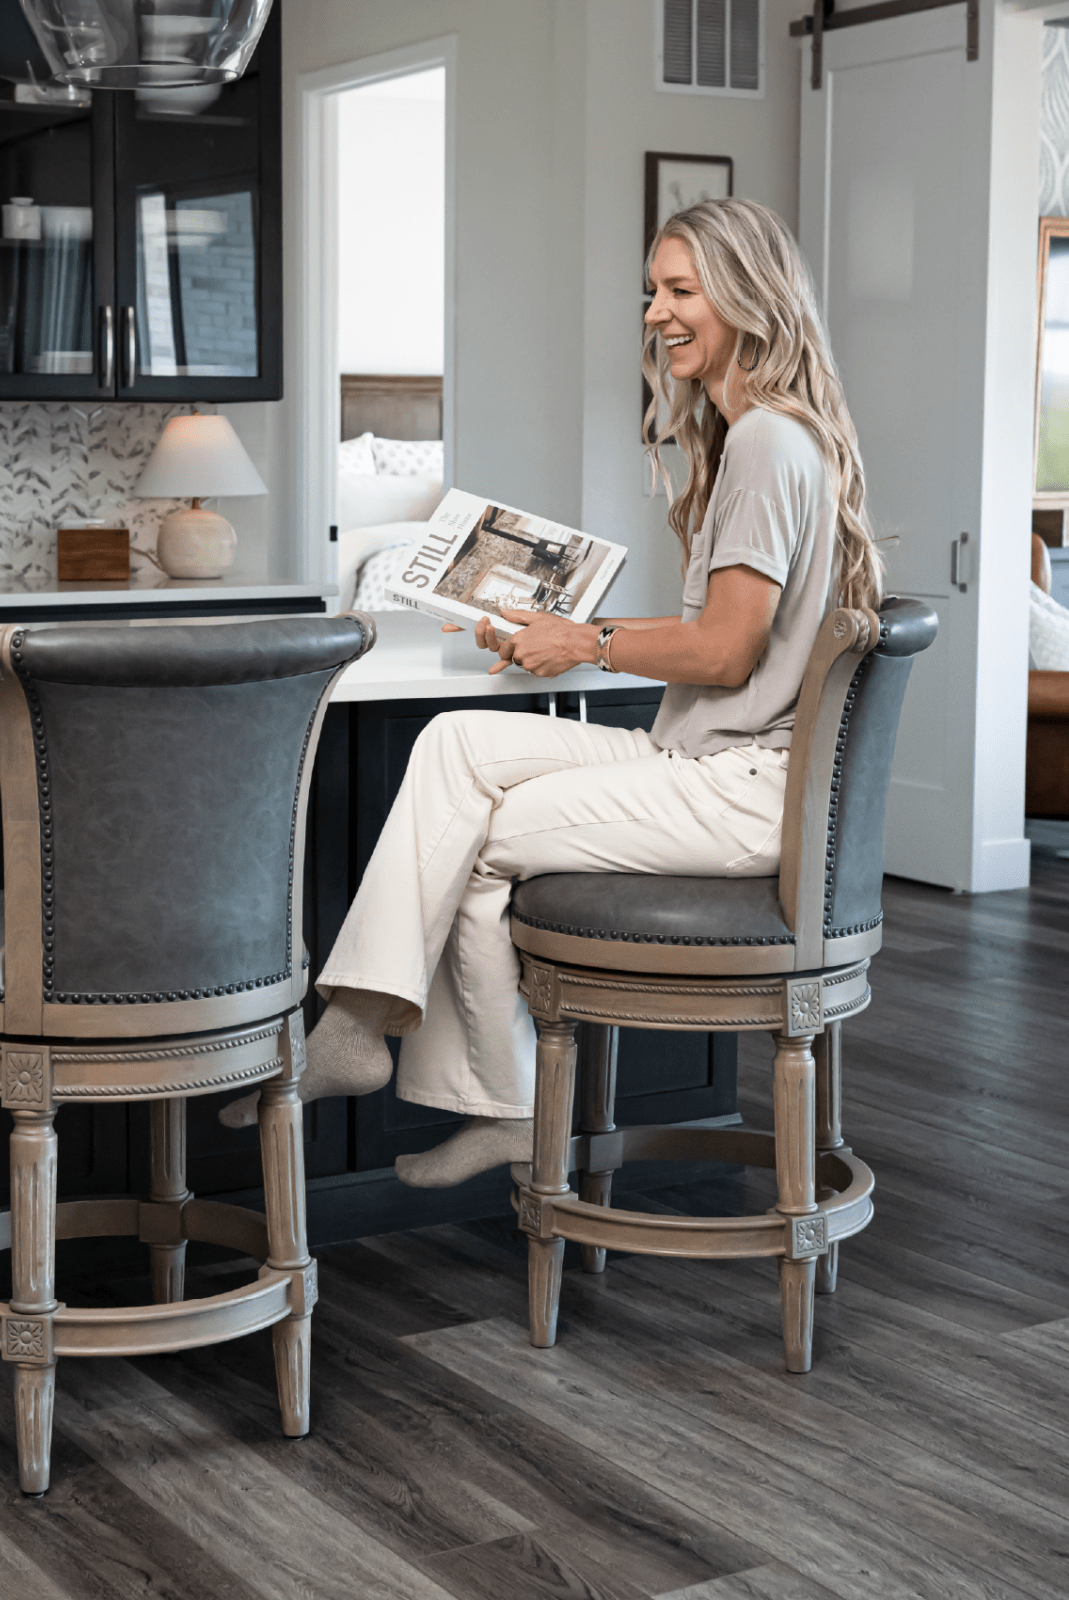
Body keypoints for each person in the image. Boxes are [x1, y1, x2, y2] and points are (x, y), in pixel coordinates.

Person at [221, 197, 883, 1186]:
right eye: (651, 292)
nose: (655, 313)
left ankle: (497, 1097)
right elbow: (730, 641)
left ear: (745, 297)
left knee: (477, 841)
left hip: (743, 785)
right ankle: (358, 1029)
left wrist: (587, 638)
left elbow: (728, 649)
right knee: (452, 744)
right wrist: (563, 640)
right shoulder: (769, 434)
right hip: (712, 761)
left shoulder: (761, 444)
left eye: (678, 290)